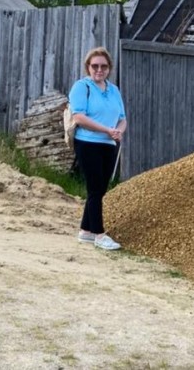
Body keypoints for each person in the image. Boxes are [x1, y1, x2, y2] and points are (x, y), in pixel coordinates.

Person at [68, 47, 127, 250]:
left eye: (103, 66)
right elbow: (79, 117)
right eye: (95, 66)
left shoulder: (114, 90)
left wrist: (118, 131)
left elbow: (122, 118)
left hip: (108, 144)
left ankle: (86, 231)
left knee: (100, 189)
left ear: (109, 68)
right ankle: (99, 234)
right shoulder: (81, 87)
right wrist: (107, 130)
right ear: (88, 67)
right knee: (94, 189)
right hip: (88, 142)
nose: (99, 70)